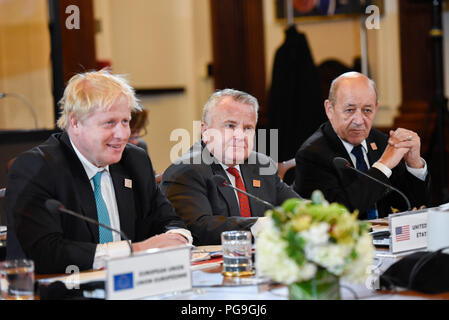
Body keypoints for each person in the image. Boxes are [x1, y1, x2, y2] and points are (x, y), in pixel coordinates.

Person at [5, 70, 191, 274]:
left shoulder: (135, 161)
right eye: (109, 123)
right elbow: (44, 253)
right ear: (75, 123)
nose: (122, 135)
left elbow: (167, 220)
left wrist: (178, 238)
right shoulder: (36, 168)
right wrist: (133, 250)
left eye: (125, 122)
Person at [161, 89, 299, 245]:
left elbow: (296, 208)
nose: (240, 136)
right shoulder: (186, 170)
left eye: (248, 128)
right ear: (206, 131)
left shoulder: (261, 165)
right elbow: (198, 227)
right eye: (230, 126)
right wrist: (257, 226)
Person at [294, 72, 431, 219]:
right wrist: (383, 166)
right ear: (330, 109)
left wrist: (414, 164)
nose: (359, 120)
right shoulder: (312, 154)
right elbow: (339, 212)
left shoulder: (381, 142)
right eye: (350, 110)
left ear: (376, 108)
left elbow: (413, 205)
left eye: (367, 110)